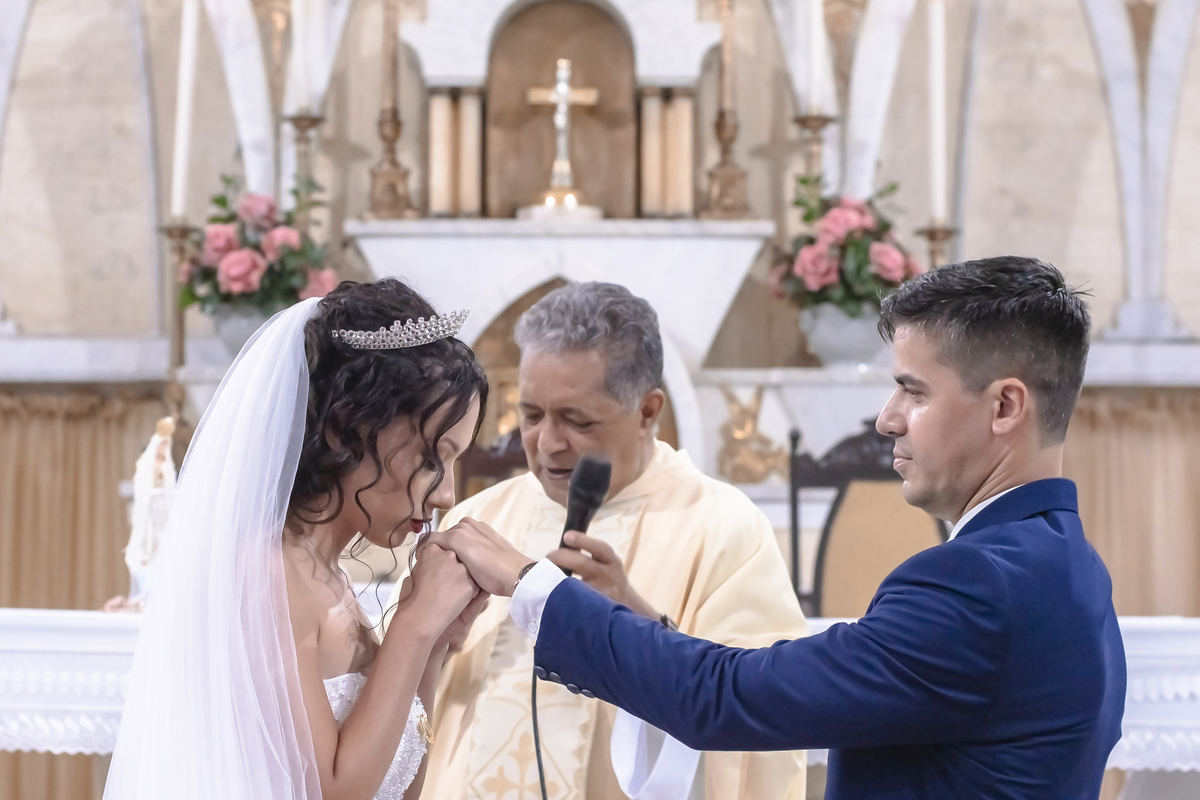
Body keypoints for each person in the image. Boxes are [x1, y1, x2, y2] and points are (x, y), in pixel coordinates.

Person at [428, 258, 1128, 800]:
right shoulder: (1065, 562)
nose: (887, 418)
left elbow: (732, 698)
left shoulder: (975, 584)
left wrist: (533, 587)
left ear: (1006, 406)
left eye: (912, 390)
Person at [388, 282, 808, 799]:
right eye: (532, 414)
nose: (546, 443)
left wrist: (634, 620)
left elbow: (760, 714)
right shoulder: (478, 521)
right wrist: (434, 642)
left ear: (648, 412)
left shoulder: (724, 529)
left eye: (577, 420)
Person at [104, 279, 490, 800]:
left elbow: (397, 786)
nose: (445, 493)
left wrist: (435, 644)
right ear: (346, 427)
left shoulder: (327, 577)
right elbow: (331, 791)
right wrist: (414, 626)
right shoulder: (268, 575)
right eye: (432, 458)